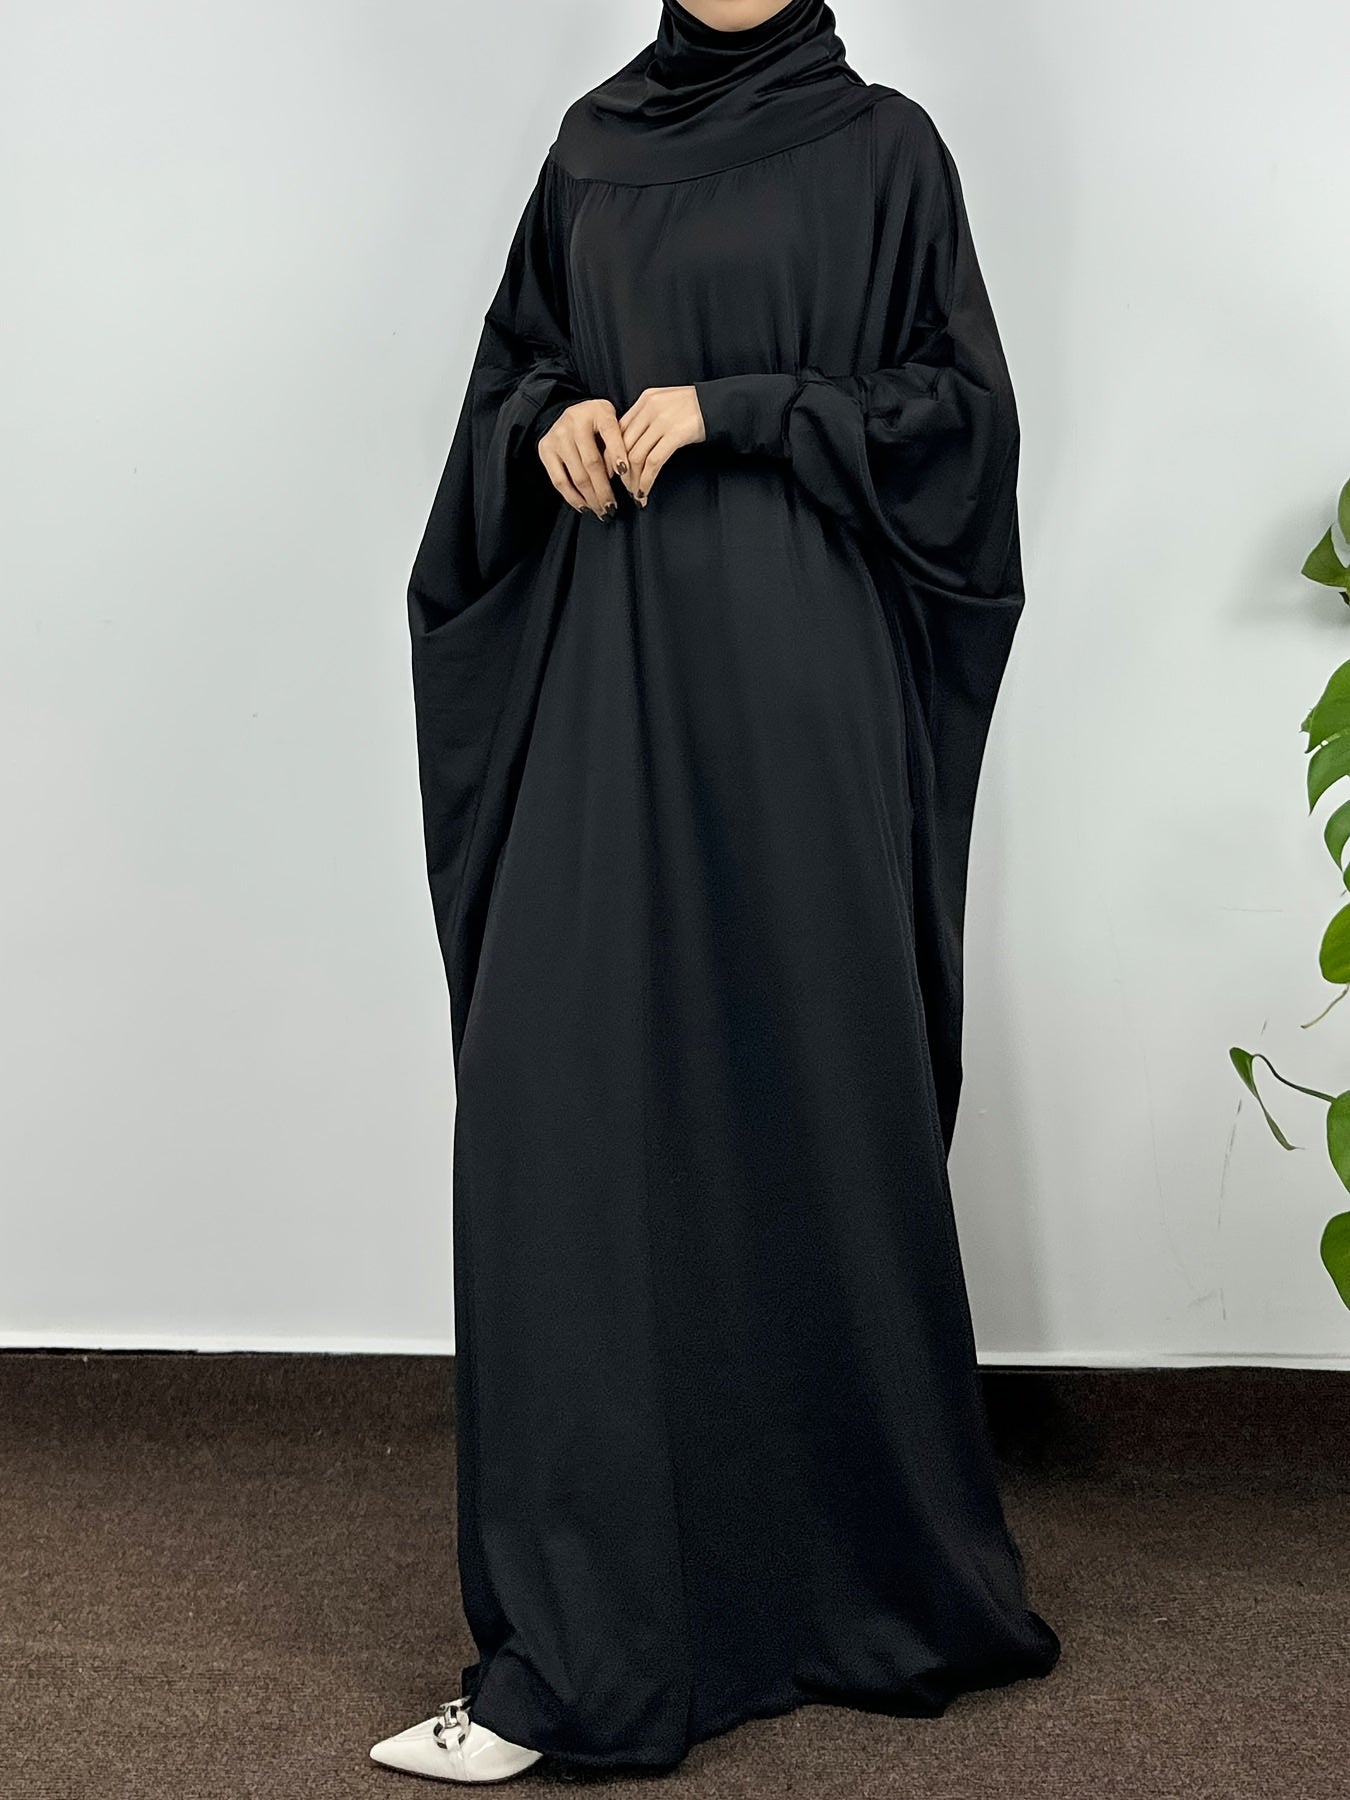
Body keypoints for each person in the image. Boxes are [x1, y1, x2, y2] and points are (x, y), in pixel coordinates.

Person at [372, 0, 1061, 1782]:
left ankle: (829, 1588)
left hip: (801, 687)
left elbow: (961, 426)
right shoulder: (589, 147)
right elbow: (517, 368)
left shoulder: (883, 147)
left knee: (807, 1094)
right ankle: (577, 1639)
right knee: (557, 1116)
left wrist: (736, 410)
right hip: (606, 679)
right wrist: (545, 424)